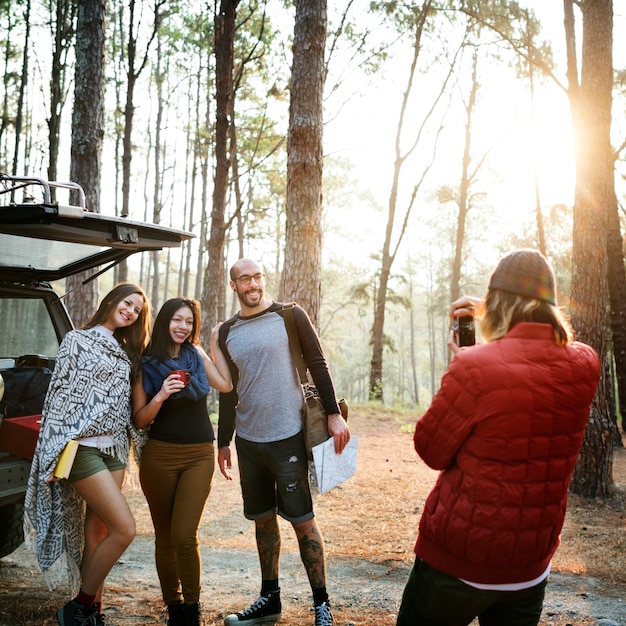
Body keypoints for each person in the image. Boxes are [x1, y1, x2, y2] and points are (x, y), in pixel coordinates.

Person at [396, 248, 601, 626]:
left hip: (457, 563)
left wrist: (464, 360)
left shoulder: (475, 367)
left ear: (497, 303)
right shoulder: (585, 364)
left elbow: (431, 450)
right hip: (528, 565)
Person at [217, 258, 350, 626]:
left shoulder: (290, 316)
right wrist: (223, 440)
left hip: (288, 436)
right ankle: (269, 599)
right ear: (234, 286)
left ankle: (322, 605)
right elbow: (228, 393)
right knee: (262, 521)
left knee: (303, 521)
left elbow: (318, 362)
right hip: (248, 440)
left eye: (257, 276)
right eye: (244, 279)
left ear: (264, 279)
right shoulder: (228, 331)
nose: (253, 284)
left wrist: (333, 412)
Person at [24, 282, 151, 626]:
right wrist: (53, 450)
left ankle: (93, 612)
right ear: (112, 300)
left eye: (137, 310)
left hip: (115, 450)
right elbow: (59, 399)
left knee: (98, 533)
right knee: (125, 529)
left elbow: (126, 405)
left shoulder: (127, 353)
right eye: (127, 303)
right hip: (81, 450)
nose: (130, 311)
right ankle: (77, 607)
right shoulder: (76, 341)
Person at [131, 298, 232, 626]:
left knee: (184, 534)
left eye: (189, 322)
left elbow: (226, 384)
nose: (183, 327)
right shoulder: (145, 363)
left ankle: (192, 609)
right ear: (164, 322)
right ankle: (174, 608)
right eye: (177, 320)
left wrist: (214, 344)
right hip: (159, 456)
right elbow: (140, 420)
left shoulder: (196, 355)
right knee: (164, 535)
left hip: (199, 454)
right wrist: (161, 394)